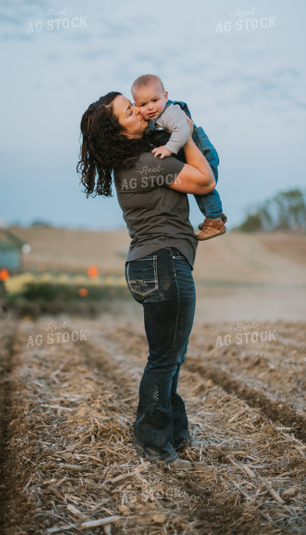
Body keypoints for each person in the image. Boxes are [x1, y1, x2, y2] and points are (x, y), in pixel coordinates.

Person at [78, 92, 215, 467]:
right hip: (163, 264)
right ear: (119, 132)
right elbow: (204, 181)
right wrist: (183, 132)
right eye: (129, 110)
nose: (140, 110)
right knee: (165, 359)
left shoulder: (138, 160)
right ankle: (153, 443)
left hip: (152, 265)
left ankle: (174, 433)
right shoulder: (145, 164)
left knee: (170, 356)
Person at [131, 74, 226, 240]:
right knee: (201, 189)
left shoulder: (170, 112)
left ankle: (215, 222)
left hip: (201, 151)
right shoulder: (155, 117)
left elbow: (183, 130)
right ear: (136, 105)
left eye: (155, 100)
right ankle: (215, 215)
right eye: (143, 104)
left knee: (203, 187)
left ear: (165, 96)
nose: (151, 107)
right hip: (190, 152)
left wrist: (168, 149)